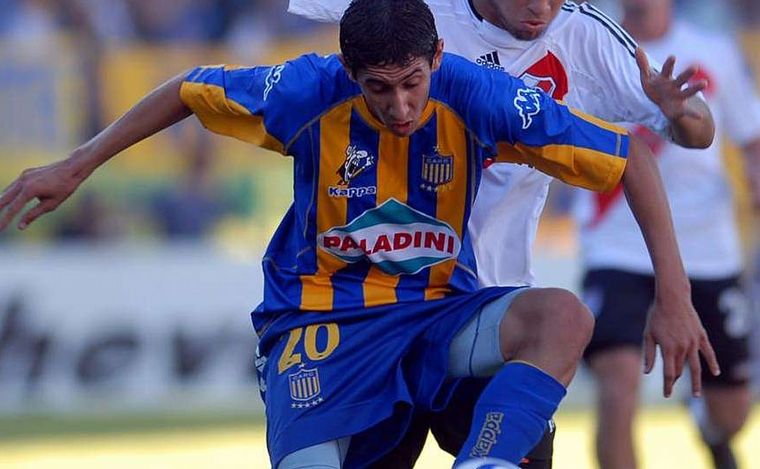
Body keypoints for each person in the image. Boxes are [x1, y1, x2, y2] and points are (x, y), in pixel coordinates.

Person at [0, 0, 717, 467]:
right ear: (350, 72)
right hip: (322, 325)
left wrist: (675, 295)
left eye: (413, 83)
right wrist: (75, 164)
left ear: (438, 60)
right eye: (379, 88)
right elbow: (188, 89)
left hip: (439, 313)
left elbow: (629, 158)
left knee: (563, 317)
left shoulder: (481, 90)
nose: (401, 106)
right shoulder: (307, 90)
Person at [287, 0, 716, 466]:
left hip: (492, 311)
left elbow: (691, 134)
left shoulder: (585, 36)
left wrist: (680, 113)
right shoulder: (415, 14)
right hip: (384, 315)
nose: (541, 7)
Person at [573, 1, 760, 468]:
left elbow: (750, 137)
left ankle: (708, 426)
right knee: (618, 383)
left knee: (732, 412)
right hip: (617, 244)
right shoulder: (588, 42)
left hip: (707, 248)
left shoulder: (713, 51)